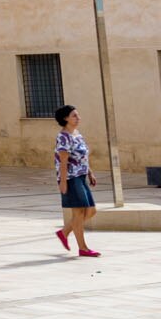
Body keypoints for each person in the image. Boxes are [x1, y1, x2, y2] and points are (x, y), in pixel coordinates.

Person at [53, 104, 100, 259]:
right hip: (71, 178)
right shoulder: (63, 137)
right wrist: (63, 181)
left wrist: (90, 173)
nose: (78, 118)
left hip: (81, 176)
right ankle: (83, 248)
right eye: (74, 115)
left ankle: (65, 232)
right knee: (78, 212)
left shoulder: (77, 134)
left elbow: (83, 157)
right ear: (65, 118)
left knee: (91, 211)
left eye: (78, 115)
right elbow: (63, 161)